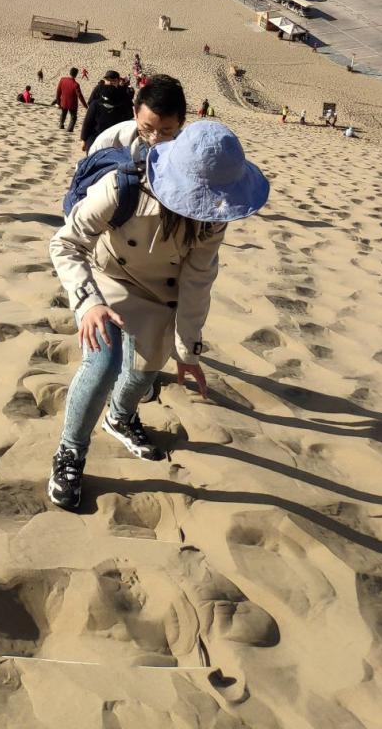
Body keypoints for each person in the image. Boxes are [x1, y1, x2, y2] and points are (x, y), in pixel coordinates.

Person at [47, 120, 269, 510]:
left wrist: (188, 352)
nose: (214, 206)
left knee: (144, 372)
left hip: (158, 298)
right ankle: (70, 453)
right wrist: (88, 304)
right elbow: (66, 242)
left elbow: (197, 282)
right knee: (102, 363)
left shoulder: (214, 220)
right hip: (108, 279)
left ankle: (120, 417)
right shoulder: (122, 188)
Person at [87, 74, 187, 154]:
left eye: (165, 131)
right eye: (147, 128)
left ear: (181, 123)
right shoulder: (108, 143)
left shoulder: (189, 151)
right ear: (135, 113)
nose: (154, 139)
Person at [78, 70, 134, 148]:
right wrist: (83, 139)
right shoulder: (99, 89)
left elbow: (129, 114)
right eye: (108, 80)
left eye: (113, 80)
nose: (110, 82)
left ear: (118, 81)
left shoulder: (123, 93)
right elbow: (88, 119)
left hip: (115, 134)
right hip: (97, 130)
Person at [54, 67, 87, 133]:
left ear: (70, 72)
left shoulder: (62, 80)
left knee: (63, 113)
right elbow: (80, 96)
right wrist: (85, 105)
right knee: (73, 117)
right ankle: (70, 129)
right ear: (76, 74)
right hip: (72, 104)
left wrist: (58, 102)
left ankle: (61, 125)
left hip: (64, 102)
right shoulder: (76, 84)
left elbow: (58, 91)